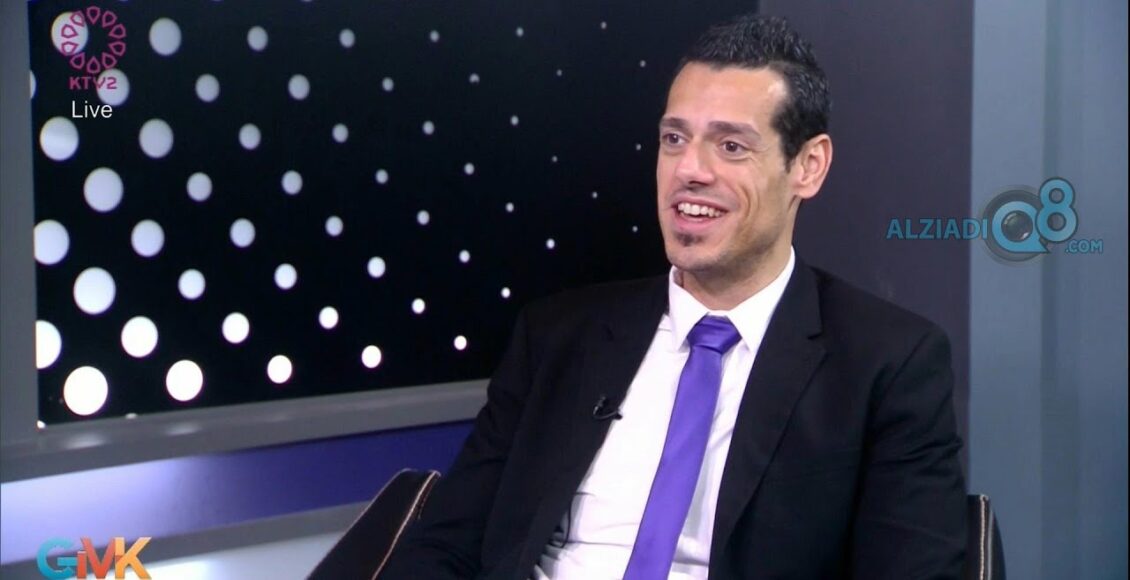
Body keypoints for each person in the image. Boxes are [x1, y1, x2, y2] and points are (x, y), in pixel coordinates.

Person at [383, 13, 966, 579]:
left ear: (808, 167)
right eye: (674, 138)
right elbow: (444, 546)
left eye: (731, 146)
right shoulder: (557, 338)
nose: (689, 169)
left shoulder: (886, 364)